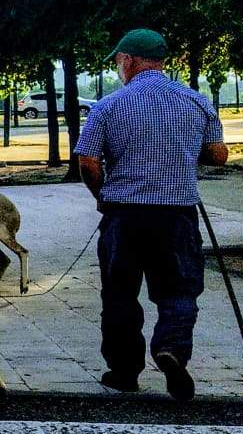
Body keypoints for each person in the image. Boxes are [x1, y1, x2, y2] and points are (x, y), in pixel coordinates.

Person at [74, 28, 229, 401]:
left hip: (124, 217)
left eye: (118, 62)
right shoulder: (197, 102)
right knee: (179, 290)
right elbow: (218, 154)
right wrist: (189, 154)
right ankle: (172, 349)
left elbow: (88, 161)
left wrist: (102, 196)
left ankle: (124, 371)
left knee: (120, 294)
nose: (117, 69)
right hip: (177, 216)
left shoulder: (107, 106)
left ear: (128, 61)